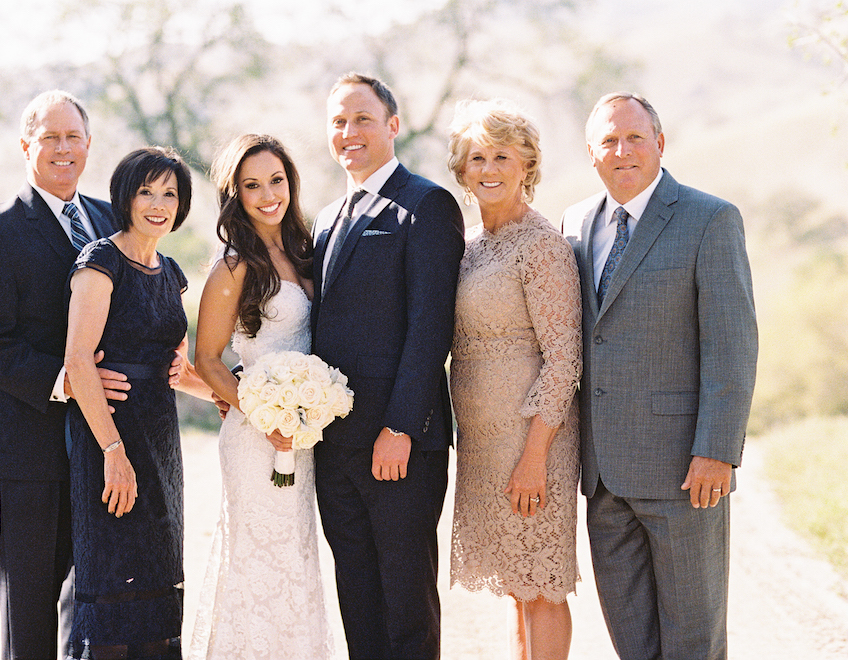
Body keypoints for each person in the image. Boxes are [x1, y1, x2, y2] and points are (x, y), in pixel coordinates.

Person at [562, 92, 757, 660]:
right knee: (633, 641)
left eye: (635, 138)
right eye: (608, 141)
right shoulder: (575, 223)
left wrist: (717, 450)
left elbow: (732, 347)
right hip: (603, 479)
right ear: (591, 154)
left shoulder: (709, 219)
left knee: (694, 641)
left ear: (660, 144)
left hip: (684, 471)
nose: (622, 151)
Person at [0, 90, 127, 659]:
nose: (63, 148)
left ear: (88, 145)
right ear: (26, 145)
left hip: (104, 453)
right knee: (29, 618)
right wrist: (70, 381)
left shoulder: (111, 219)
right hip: (27, 454)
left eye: (72, 137)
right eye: (49, 137)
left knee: (98, 611)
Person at [311, 72, 465, 659]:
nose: (349, 132)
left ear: (393, 126)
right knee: (357, 596)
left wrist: (400, 427)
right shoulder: (327, 218)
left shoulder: (426, 205)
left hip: (399, 443)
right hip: (333, 444)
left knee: (405, 603)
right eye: (338, 122)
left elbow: (431, 330)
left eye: (363, 119)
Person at [446, 99, 582, 660]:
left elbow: (564, 359)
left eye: (502, 155)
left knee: (542, 586)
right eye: (477, 157)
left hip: (532, 444)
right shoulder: (471, 247)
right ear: (463, 169)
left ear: (526, 163)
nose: (489, 168)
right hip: (482, 444)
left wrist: (534, 457)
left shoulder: (542, 245)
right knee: (513, 583)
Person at [64, 146, 212, 659]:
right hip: (109, 440)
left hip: (161, 445)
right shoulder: (100, 261)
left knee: (157, 581)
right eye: (146, 191)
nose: (158, 203)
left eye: (170, 193)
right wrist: (112, 450)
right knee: (112, 586)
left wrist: (239, 401)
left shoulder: (171, 273)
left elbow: (178, 370)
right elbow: (79, 361)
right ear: (125, 197)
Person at [189, 134, 333, 658]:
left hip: (303, 433)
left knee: (296, 555)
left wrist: (303, 414)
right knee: (259, 558)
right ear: (236, 196)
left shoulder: (305, 251)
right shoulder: (233, 267)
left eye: (276, 180)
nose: (268, 194)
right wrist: (264, 413)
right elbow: (206, 359)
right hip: (257, 440)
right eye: (252, 185)